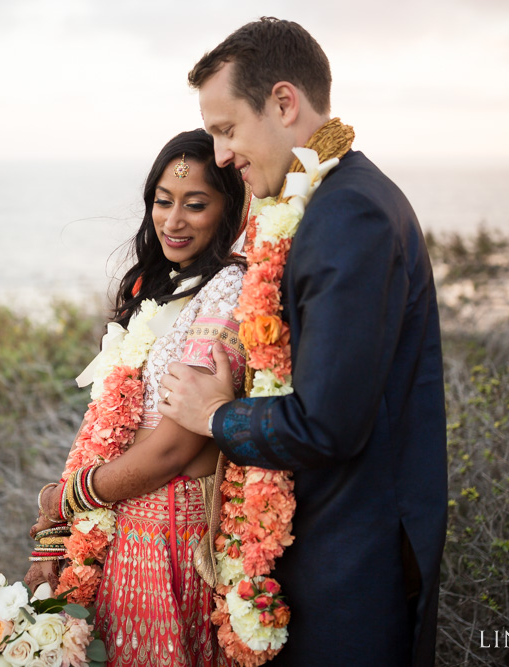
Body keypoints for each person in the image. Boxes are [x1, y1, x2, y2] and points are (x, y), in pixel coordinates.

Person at [157, 18, 448, 667]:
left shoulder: (351, 215)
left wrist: (213, 415)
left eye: (227, 129)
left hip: (350, 572)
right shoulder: (322, 204)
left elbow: (327, 424)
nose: (223, 154)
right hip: (325, 556)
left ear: (284, 103)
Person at [25, 129, 250, 666]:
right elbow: (116, 419)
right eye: (162, 202)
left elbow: (175, 445)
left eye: (195, 205)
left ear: (231, 209)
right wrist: (63, 524)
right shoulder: (164, 284)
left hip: (171, 533)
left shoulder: (228, 289)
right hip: (126, 520)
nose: (173, 221)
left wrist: (68, 499)